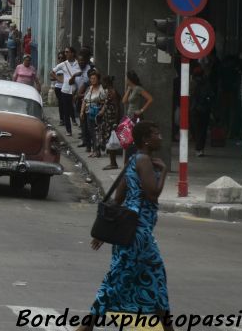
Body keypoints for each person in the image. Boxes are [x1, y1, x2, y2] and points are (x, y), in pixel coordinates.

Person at [74, 120, 172, 331]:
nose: (160, 137)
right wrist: (164, 171)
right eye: (157, 133)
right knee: (117, 279)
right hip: (137, 233)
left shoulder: (133, 159)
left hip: (139, 233)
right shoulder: (144, 160)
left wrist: (106, 232)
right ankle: (85, 327)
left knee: (156, 278)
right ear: (146, 139)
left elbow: (119, 197)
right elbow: (153, 194)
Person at [53, 47, 81, 135]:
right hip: (65, 89)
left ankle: (80, 127)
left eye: (67, 52)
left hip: (77, 90)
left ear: (72, 53)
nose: (66, 54)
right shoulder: (63, 64)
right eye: (65, 52)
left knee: (77, 108)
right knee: (66, 110)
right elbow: (52, 72)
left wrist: (76, 75)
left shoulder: (78, 63)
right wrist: (60, 80)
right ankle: (69, 130)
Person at [81, 69, 107, 157]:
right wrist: (82, 112)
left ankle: (97, 151)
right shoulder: (90, 88)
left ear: (98, 79)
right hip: (89, 113)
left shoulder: (101, 90)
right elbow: (85, 100)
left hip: (97, 114)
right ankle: (94, 150)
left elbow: (105, 102)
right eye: (91, 78)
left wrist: (102, 112)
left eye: (94, 78)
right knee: (91, 132)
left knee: (97, 133)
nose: (92, 80)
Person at [190, 63, 214, 157]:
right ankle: (200, 149)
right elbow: (211, 95)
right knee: (203, 130)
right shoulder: (207, 83)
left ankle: (198, 148)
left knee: (196, 129)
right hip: (204, 109)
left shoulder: (192, 83)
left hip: (194, 109)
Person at [101, 76, 123, 170]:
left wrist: (115, 122)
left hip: (111, 121)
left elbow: (117, 108)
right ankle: (112, 162)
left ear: (107, 83)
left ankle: (113, 163)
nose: (102, 84)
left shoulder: (113, 92)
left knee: (111, 142)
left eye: (103, 83)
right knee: (108, 141)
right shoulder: (109, 92)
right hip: (107, 120)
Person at [50, 49, 71, 134]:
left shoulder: (67, 66)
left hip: (66, 88)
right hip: (58, 87)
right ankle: (62, 119)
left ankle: (68, 119)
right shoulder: (58, 67)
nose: (60, 59)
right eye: (59, 58)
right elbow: (51, 77)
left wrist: (61, 79)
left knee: (66, 104)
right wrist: (58, 78)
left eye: (62, 58)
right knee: (61, 104)